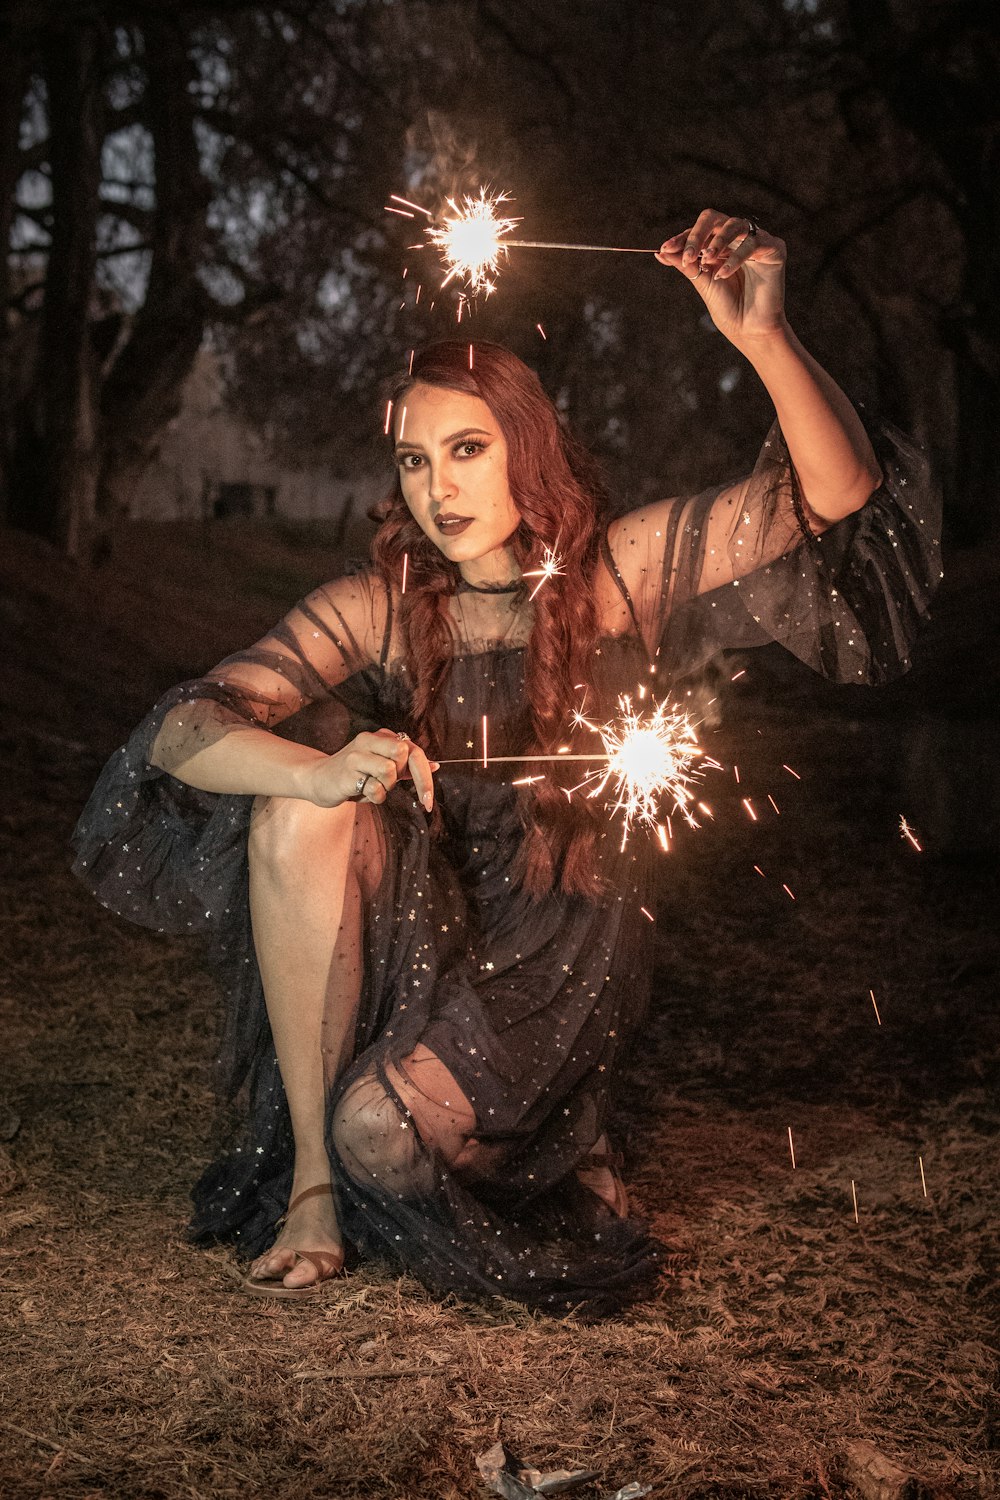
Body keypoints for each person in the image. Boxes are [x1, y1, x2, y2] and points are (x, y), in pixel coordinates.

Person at [73, 210, 940, 1314]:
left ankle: (540, 1143)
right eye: (416, 460)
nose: (440, 489)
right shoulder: (381, 610)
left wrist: (761, 335)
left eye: (468, 449)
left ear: (525, 447)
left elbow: (835, 493)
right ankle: (311, 1190)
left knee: (382, 1134)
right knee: (296, 804)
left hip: (562, 939)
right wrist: (310, 772)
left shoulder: (614, 576)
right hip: (423, 933)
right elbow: (184, 729)